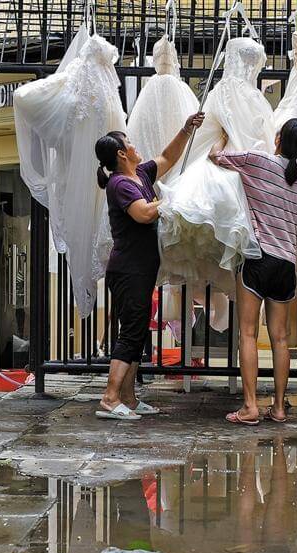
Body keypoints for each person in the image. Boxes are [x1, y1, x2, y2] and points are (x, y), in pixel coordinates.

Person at [94, 113, 204, 421]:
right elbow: (143, 214)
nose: (134, 144)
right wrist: (172, 198)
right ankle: (110, 397)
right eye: (128, 142)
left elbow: (168, 157)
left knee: (137, 330)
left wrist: (185, 129)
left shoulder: (140, 174)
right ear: (120, 152)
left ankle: (127, 398)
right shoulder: (119, 185)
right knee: (130, 332)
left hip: (140, 268)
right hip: (129, 269)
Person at [209, 118, 297, 426]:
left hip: (258, 259)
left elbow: (215, 157)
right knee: (281, 339)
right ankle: (279, 408)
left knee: (248, 333)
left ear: (278, 138)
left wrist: (223, 137)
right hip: (286, 266)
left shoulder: (258, 161)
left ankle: (250, 407)